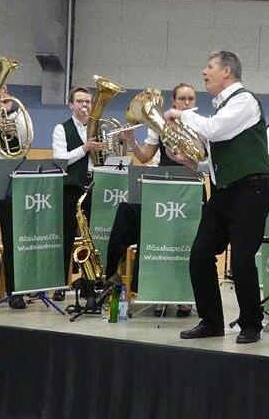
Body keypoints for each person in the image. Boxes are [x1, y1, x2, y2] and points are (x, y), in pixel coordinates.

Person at [165, 50, 269, 344]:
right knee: (200, 254)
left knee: (241, 259)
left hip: (250, 190)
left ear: (227, 71)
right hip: (224, 190)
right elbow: (216, 157)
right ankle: (211, 321)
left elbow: (215, 130)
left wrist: (182, 114)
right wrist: (191, 163)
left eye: (209, 67)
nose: (204, 72)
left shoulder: (244, 101)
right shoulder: (223, 107)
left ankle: (252, 323)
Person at [106, 83, 198, 317]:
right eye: (182, 99)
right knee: (153, 232)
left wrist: (186, 160)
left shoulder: (200, 124)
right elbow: (145, 157)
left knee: (185, 242)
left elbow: (202, 163)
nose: (187, 103)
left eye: (191, 99)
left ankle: (185, 298)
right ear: (174, 102)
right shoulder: (160, 126)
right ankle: (153, 290)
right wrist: (132, 141)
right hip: (163, 190)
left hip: (190, 190)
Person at [52, 87, 106, 303]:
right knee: (66, 236)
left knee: (90, 238)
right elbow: (60, 159)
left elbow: (103, 158)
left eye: (87, 102)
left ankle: (88, 283)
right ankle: (59, 284)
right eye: (80, 101)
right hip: (71, 187)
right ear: (71, 105)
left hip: (94, 184)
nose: (85, 105)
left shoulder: (98, 128)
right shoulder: (61, 128)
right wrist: (85, 148)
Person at [0, 84, 33, 309]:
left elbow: (23, 145)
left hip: (9, 184)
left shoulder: (19, 113)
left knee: (12, 241)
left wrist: (9, 123)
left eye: (3, 88)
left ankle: (14, 292)